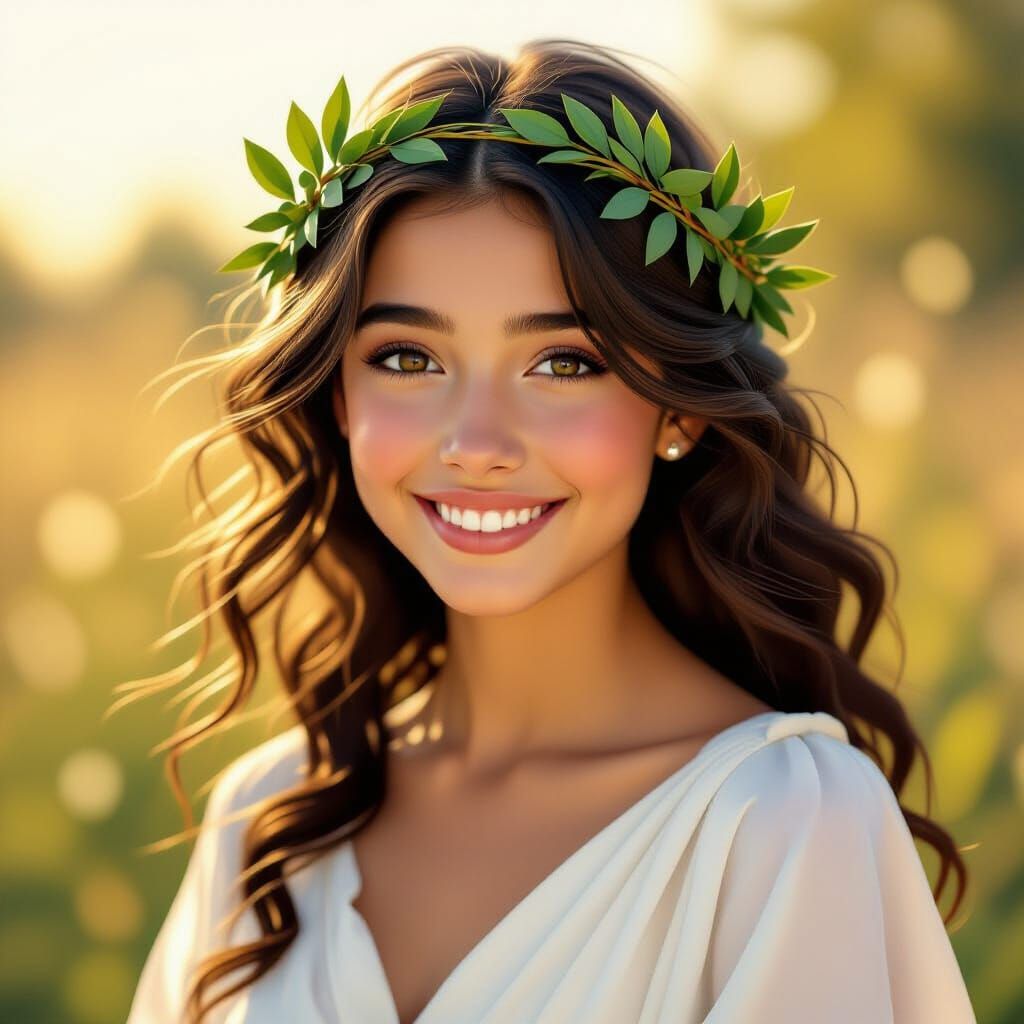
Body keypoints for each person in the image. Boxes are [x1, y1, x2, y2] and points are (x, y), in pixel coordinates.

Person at [120, 38, 977, 1024]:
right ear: (337, 396)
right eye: (407, 356)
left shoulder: (780, 821)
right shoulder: (265, 821)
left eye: (563, 363)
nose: (477, 442)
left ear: (680, 410)